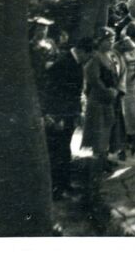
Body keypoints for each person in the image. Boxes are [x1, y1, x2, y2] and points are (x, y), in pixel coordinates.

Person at [38, 36, 93, 199]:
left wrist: (77, 113)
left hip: (67, 114)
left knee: (64, 150)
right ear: (82, 51)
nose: (89, 59)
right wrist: (56, 117)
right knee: (56, 152)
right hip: (59, 116)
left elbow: (74, 94)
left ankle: (64, 184)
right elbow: (54, 93)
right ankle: (55, 189)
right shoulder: (64, 64)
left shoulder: (74, 62)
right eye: (88, 55)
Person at [81, 28, 126, 183]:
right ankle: (97, 161)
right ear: (99, 41)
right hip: (99, 99)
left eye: (113, 39)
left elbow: (120, 72)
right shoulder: (95, 58)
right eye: (108, 40)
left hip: (111, 98)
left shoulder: (112, 55)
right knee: (100, 129)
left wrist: (118, 89)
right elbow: (93, 79)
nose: (111, 42)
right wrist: (107, 91)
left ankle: (105, 157)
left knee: (110, 127)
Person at [115, 33, 135, 159]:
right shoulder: (117, 51)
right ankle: (122, 148)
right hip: (122, 85)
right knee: (123, 117)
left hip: (133, 85)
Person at [29, 16, 59, 89]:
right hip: (34, 77)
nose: (43, 31)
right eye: (40, 29)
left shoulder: (51, 42)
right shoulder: (30, 44)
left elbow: (57, 56)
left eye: (45, 29)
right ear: (35, 30)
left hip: (49, 77)